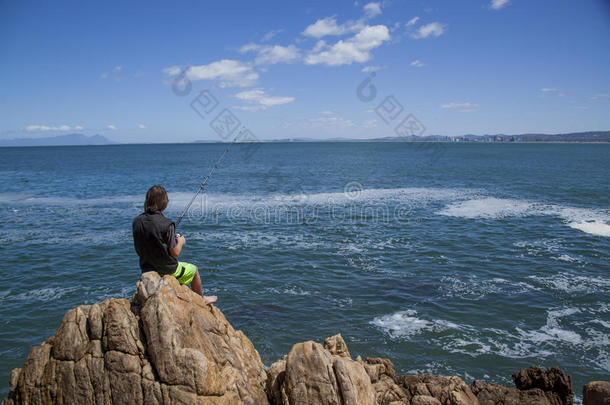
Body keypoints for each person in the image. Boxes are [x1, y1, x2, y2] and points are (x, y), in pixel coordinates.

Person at [132, 185, 217, 305]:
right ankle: (201, 299)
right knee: (194, 271)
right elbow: (175, 253)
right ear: (164, 203)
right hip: (167, 269)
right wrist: (181, 241)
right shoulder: (167, 224)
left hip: (146, 267)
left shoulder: (136, 221)